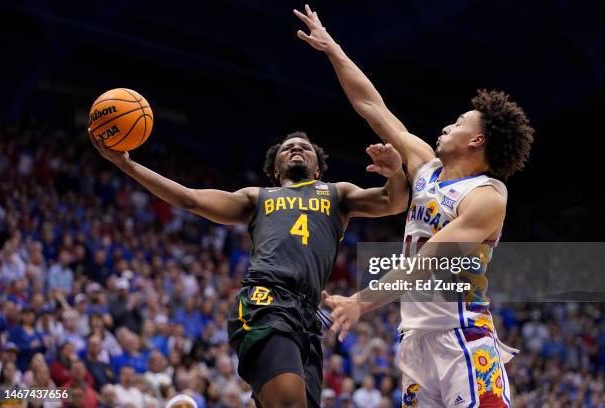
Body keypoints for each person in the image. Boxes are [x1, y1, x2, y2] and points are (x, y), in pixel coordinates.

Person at [295, 5, 534, 406]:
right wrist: (333, 49)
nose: (446, 126)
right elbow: (372, 107)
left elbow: (427, 261)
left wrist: (361, 300)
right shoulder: (424, 166)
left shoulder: (487, 197)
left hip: (463, 338)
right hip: (414, 339)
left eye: (459, 123)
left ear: (477, 142)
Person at [89, 129, 409, 407]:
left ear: (318, 167)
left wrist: (395, 173)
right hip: (264, 303)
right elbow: (190, 199)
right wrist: (126, 165)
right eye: (287, 147)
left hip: (307, 317)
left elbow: (393, 202)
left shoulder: (338, 193)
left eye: (305, 147)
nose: (296, 148)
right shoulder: (257, 197)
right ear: (274, 167)